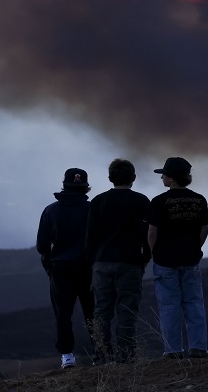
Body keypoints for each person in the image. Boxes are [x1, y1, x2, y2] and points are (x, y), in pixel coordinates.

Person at [84, 158, 151, 364]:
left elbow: (90, 237)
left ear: (110, 177)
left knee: (101, 311)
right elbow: (147, 235)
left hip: (102, 263)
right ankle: (126, 356)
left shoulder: (97, 201)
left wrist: (92, 263)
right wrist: (144, 260)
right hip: (129, 263)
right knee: (127, 311)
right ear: (133, 178)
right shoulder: (141, 201)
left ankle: (102, 355)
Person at [147, 156, 208, 359]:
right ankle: (198, 348)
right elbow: (204, 230)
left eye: (164, 175)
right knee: (194, 303)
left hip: (165, 261)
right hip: (190, 259)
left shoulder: (158, 202)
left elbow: (152, 233)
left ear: (172, 178)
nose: (162, 178)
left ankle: (173, 350)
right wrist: (194, 248)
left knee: (169, 306)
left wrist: (154, 253)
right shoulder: (199, 200)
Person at [36, 167, 95, 369]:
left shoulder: (50, 210)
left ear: (64, 184)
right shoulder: (92, 209)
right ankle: (101, 353)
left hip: (60, 268)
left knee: (63, 313)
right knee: (93, 313)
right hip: (88, 268)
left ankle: (67, 356)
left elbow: (42, 246)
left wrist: (50, 268)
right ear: (85, 187)